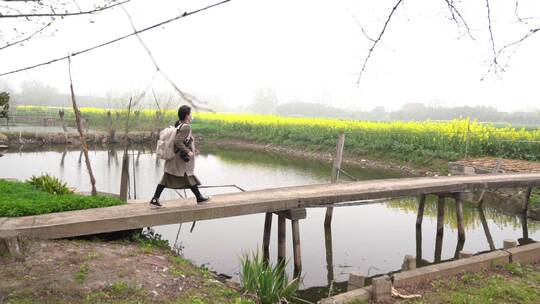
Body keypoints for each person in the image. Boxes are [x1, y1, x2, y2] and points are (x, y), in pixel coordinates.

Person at [149, 105, 209, 207]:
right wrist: (188, 151)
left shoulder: (180, 125)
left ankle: (155, 198)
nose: (192, 115)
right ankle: (199, 197)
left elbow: (184, 141)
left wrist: (193, 150)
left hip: (176, 158)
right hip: (179, 159)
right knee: (186, 175)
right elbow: (177, 142)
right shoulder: (186, 127)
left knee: (172, 177)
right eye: (191, 113)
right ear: (187, 115)